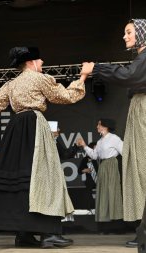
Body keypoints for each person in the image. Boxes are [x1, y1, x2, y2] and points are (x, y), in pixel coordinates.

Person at [0, 46, 88, 248]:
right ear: (31, 62)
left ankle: (24, 234)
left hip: (15, 130)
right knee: (45, 177)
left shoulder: (11, 84)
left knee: (22, 179)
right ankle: (49, 234)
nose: (42, 63)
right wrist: (83, 76)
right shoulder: (39, 78)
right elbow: (65, 96)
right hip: (34, 127)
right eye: (40, 60)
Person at [82, 18, 146, 247]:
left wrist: (96, 68)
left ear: (141, 33)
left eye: (129, 32)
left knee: (142, 170)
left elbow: (129, 75)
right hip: (139, 111)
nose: (124, 36)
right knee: (140, 172)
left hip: (143, 112)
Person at [76, 119, 123, 223]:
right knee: (103, 191)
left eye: (99, 124)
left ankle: (116, 217)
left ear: (105, 126)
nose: (97, 126)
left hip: (111, 165)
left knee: (111, 189)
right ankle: (105, 218)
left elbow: (124, 151)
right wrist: (84, 145)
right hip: (103, 166)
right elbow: (94, 155)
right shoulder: (100, 141)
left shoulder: (114, 138)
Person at [78, 142, 98, 210]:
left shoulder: (100, 157)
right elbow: (79, 171)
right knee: (88, 189)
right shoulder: (85, 159)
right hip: (90, 181)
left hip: (101, 181)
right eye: (95, 148)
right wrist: (85, 170)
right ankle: (91, 208)